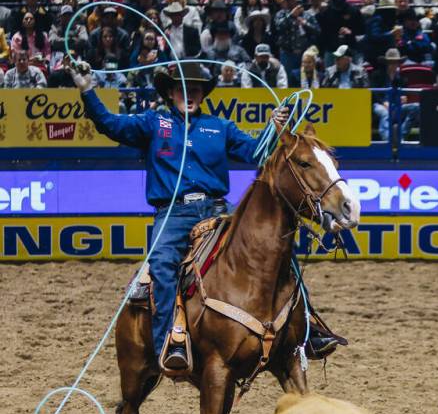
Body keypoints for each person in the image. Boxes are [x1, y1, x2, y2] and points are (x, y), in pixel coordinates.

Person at [69, 61, 333, 371]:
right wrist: (87, 89)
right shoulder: (153, 123)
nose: (189, 94)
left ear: (202, 94)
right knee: (163, 264)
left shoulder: (220, 127)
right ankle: (172, 338)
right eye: (182, 89)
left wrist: (273, 128)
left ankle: (308, 325)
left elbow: (255, 152)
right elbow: (109, 124)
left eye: (194, 89)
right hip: (174, 213)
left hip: (217, 209)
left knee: (274, 247)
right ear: (170, 92)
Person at [370, 47, 419, 141]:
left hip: (396, 106)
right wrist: (383, 103)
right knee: (385, 113)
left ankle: (401, 137)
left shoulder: (401, 79)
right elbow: (374, 93)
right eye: (391, 62)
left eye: (396, 62)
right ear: (386, 63)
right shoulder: (377, 75)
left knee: (416, 107)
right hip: (379, 105)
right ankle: (387, 142)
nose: (393, 65)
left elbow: (404, 94)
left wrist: (403, 98)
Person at [274, 0, 320, 81]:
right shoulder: (281, 14)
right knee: (287, 79)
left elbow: (317, 31)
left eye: (298, 0)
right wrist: (291, 15)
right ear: (288, 1)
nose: (295, 2)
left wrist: (305, 23)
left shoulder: (308, 15)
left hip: (305, 54)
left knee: (305, 79)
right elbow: (278, 27)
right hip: (287, 53)